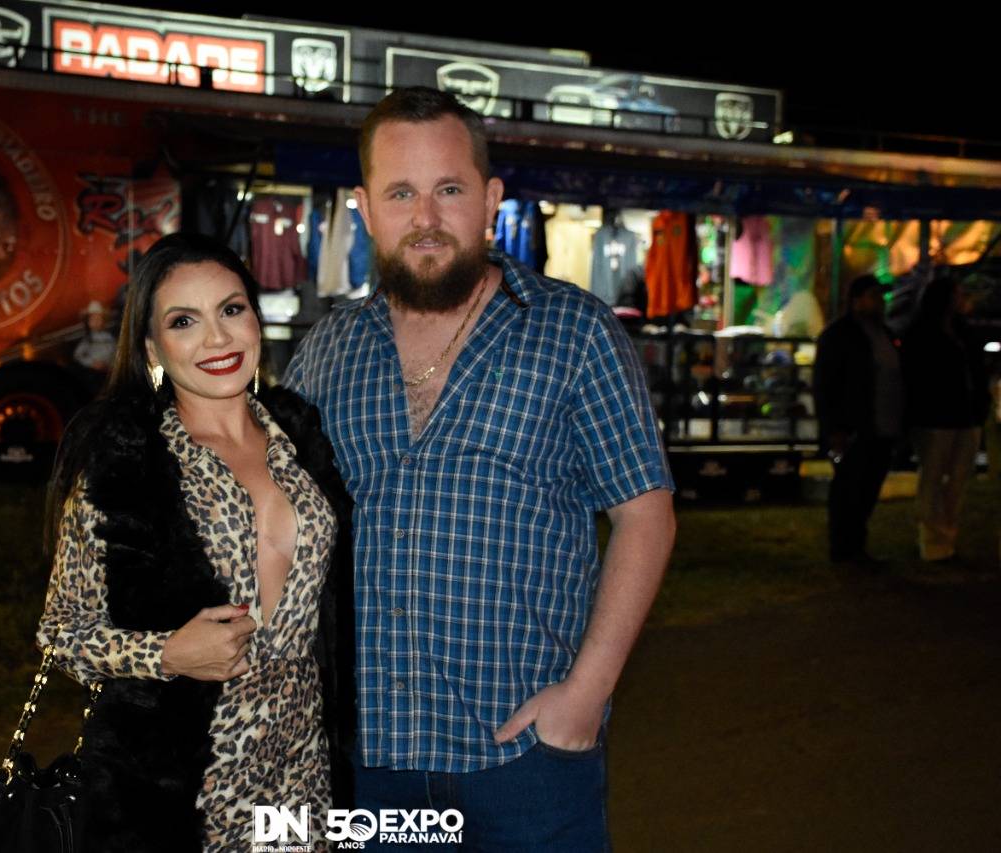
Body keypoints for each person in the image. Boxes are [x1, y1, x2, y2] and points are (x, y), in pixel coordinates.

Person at [284, 87, 676, 850]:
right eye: (401, 193)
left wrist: (586, 693)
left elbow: (645, 514)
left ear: (491, 199)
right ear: (365, 208)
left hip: (525, 759)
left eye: (450, 190)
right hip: (366, 763)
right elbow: (280, 528)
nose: (426, 217)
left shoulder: (575, 333)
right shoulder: (325, 354)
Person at [37, 233, 353, 852]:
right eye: (185, 321)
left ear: (255, 318)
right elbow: (61, 633)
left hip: (302, 770)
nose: (217, 338)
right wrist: (169, 653)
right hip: (184, 783)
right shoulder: (127, 463)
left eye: (231, 310)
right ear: (152, 347)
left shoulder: (301, 438)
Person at [813, 274, 903, 564]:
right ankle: (844, 546)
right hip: (855, 426)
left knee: (868, 488)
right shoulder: (839, 336)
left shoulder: (884, 334)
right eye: (874, 296)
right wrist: (834, 428)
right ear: (857, 300)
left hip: (881, 424)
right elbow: (825, 384)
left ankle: (855, 544)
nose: (880, 302)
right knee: (849, 488)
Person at [901, 275, 988, 561]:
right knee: (934, 476)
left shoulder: (962, 331)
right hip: (936, 416)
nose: (962, 300)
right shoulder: (923, 334)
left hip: (963, 415)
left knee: (956, 479)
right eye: (957, 294)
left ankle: (945, 537)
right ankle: (933, 539)